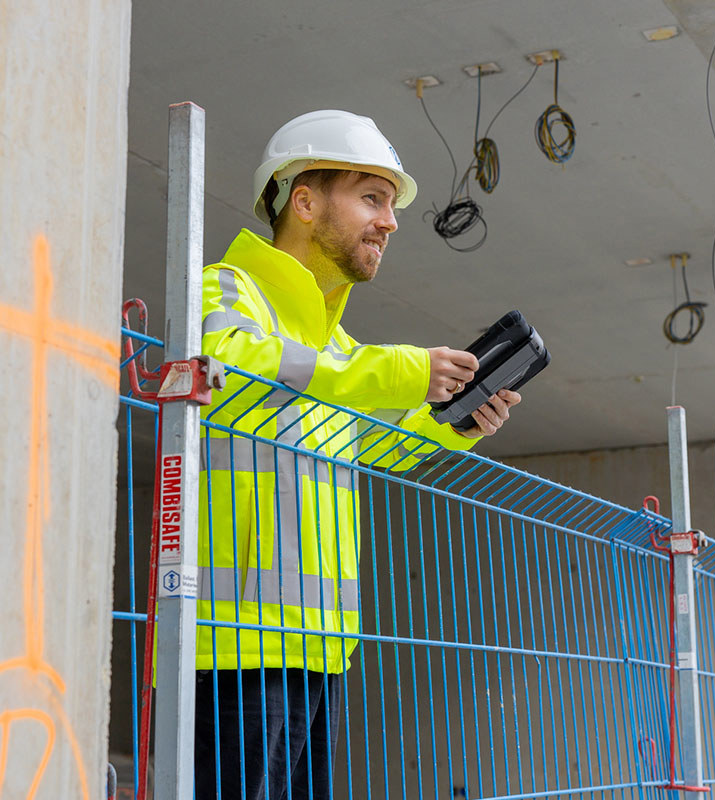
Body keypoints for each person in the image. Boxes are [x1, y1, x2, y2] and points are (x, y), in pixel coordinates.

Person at [194, 109, 521, 799]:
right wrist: (399, 371)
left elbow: (377, 445)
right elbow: (230, 370)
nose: (392, 222)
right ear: (305, 202)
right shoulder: (226, 290)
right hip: (228, 652)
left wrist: (454, 425)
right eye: (372, 198)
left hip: (316, 654)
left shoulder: (337, 350)